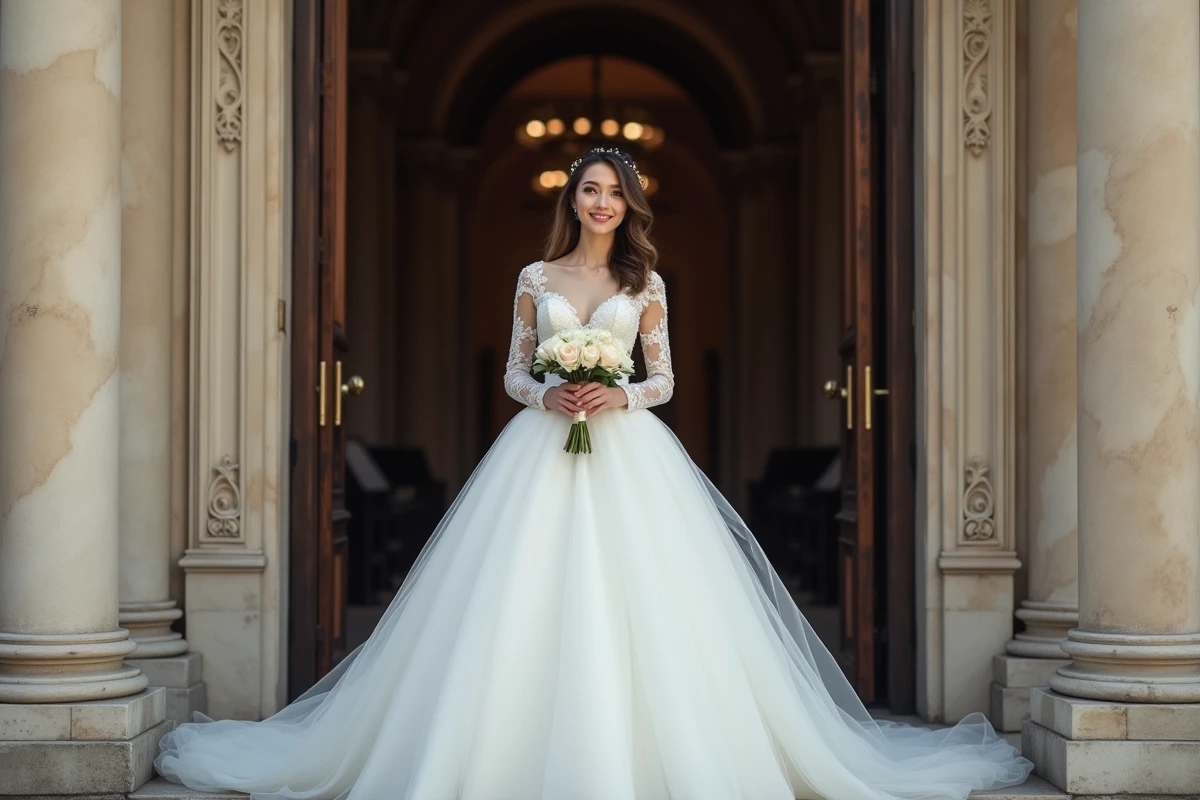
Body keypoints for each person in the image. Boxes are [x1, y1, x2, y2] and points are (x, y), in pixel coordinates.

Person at [155, 146, 1033, 799]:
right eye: (590, 188)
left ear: (631, 204)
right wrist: (549, 396)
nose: (603, 202)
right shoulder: (534, 274)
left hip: (627, 455)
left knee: (642, 601)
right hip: (540, 452)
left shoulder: (646, 282)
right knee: (520, 596)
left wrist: (616, 398)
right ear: (570, 197)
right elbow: (511, 370)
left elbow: (665, 378)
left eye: (616, 191)